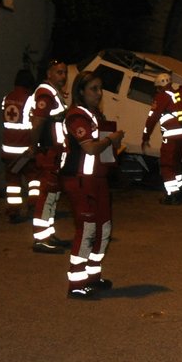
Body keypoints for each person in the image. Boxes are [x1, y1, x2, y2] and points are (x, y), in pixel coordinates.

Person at [60, 70, 123, 299]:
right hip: (80, 181)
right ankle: (76, 284)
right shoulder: (76, 117)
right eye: (93, 89)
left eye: (100, 88)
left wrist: (112, 147)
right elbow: (89, 148)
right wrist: (110, 140)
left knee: (104, 228)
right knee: (87, 231)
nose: (99, 93)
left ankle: (92, 277)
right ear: (80, 92)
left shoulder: (94, 114)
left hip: (97, 180)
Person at [22, 58, 70, 254]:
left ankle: (48, 234)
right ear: (49, 73)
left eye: (65, 72)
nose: (63, 76)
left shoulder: (53, 93)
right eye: (59, 72)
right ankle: (41, 239)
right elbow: (39, 122)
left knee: (53, 195)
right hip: (48, 151)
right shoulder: (45, 93)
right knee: (47, 195)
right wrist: (33, 146)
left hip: (56, 152)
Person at [141, 71, 182, 205]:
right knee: (175, 162)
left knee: (166, 163)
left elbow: (152, 118)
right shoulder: (178, 94)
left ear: (158, 86)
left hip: (173, 134)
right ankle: (179, 190)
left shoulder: (162, 96)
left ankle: (172, 195)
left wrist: (145, 137)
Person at [0, 67, 36, 222]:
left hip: (8, 149)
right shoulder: (30, 99)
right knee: (34, 179)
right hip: (24, 149)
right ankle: (34, 206)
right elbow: (35, 124)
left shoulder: (6, 98)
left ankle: (13, 211)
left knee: (13, 182)